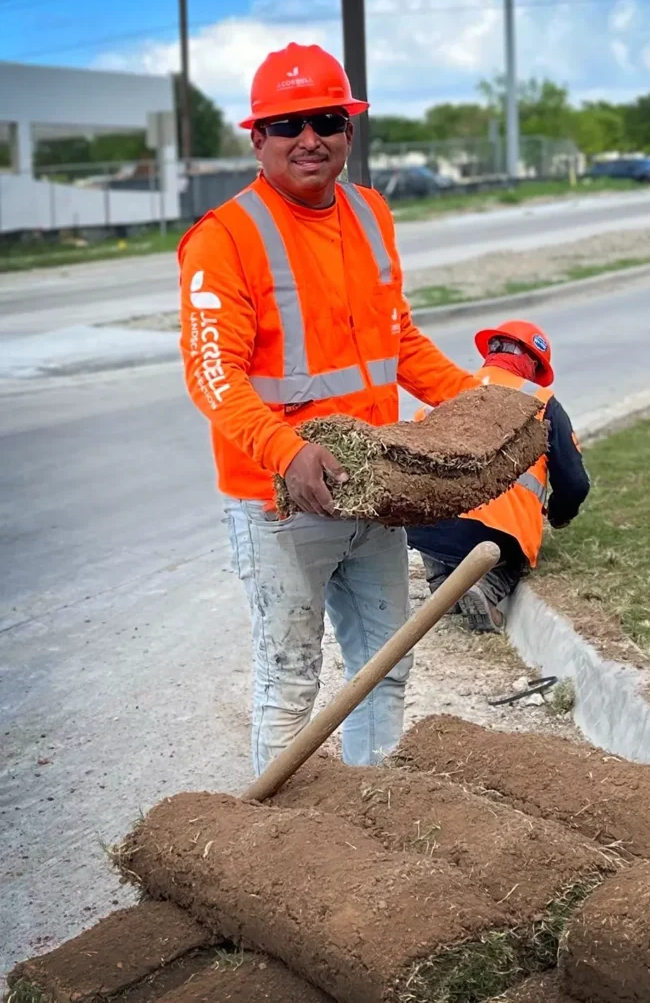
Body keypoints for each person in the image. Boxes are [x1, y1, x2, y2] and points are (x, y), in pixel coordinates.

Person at [177, 43, 478, 774]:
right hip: (280, 503)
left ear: (349, 129)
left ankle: (370, 816)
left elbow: (399, 343)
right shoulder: (225, 239)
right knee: (290, 685)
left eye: (325, 119)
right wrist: (287, 452)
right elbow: (213, 377)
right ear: (258, 139)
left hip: (370, 497)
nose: (309, 138)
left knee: (385, 668)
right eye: (288, 125)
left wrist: (482, 404)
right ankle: (275, 854)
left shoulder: (371, 214)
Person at [407, 321, 590, 632]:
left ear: (491, 353)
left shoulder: (450, 389)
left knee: (438, 525)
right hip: (492, 532)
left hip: (424, 526)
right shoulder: (542, 403)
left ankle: (444, 579)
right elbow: (574, 483)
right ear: (533, 363)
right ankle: (484, 588)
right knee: (515, 549)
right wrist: (559, 515)